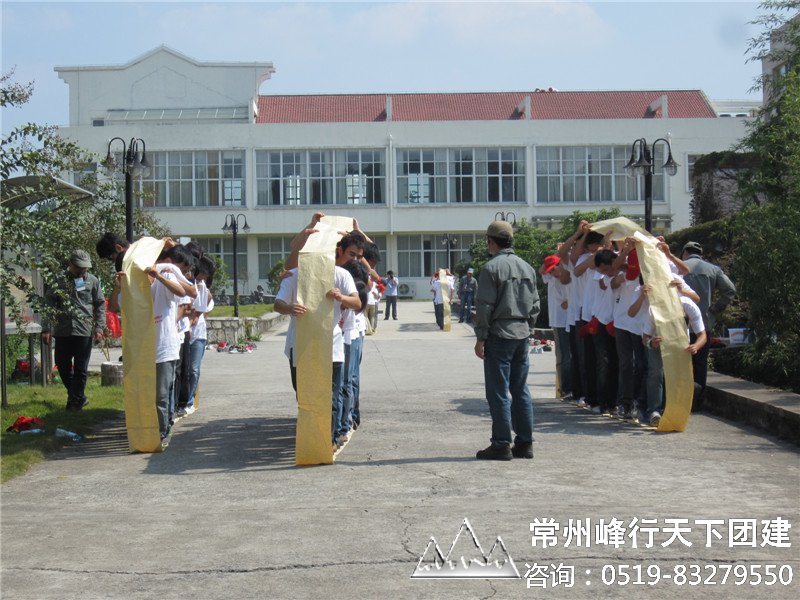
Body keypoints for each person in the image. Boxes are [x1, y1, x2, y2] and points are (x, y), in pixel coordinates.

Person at [473, 221, 540, 460]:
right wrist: (528, 328)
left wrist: (481, 336)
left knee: (498, 391)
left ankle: (501, 443)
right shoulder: (527, 267)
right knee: (520, 390)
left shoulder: (491, 268)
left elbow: (485, 306)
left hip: (499, 334)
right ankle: (525, 442)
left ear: (491, 241)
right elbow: (535, 305)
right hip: (521, 333)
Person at [41, 250, 107, 411]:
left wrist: (99, 327)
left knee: (80, 369)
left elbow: (99, 305)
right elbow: (49, 305)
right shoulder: (58, 280)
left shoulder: (93, 281)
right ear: (70, 265)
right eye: (79, 267)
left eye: (85, 267)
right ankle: (79, 396)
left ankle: (74, 402)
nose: (82, 270)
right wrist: (46, 328)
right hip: (63, 330)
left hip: (83, 330)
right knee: (62, 366)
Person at [680, 241, 736, 411]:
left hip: (679, 323)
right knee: (700, 363)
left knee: (680, 362)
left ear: (685, 253)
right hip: (704, 323)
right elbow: (730, 290)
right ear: (701, 253)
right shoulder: (713, 269)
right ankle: (697, 402)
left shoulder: (678, 267)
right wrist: (715, 308)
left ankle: (679, 400)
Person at [539, 254, 571, 400]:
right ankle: (564, 388)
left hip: (569, 321)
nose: (552, 273)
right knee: (563, 355)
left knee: (568, 355)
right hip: (559, 322)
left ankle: (567, 387)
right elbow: (541, 270)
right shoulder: (551, 279)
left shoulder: (567, 278)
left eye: (554, 269)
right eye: (550, 271)